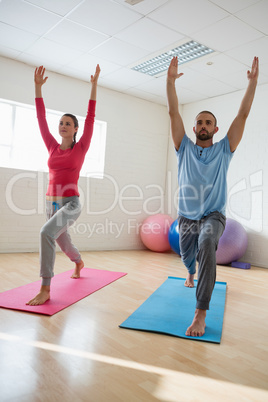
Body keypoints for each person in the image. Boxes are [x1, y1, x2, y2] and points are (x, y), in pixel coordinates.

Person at [166, 56, 259, 337]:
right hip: (186, 216)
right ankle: (191, 272)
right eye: (199, 122)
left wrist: (252, 84)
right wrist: (170, 82)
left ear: (215, 129)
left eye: (208, 122)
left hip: (214, 215)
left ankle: (200, 312)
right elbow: (173, 113)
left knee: (207, 243)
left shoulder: (224, 149)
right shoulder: (183, 147)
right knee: (187, 257)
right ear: (194, 129)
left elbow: (242, 116)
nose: (203, 126)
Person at [27, 64, 100, 306]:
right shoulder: (52, 146)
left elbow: (91, 118)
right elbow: (40, 119)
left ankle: (45, 287)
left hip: (71, 204)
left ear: (75, 129)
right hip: (50, 203)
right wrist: (38, 89)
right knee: (62, 240)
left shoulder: (81, 147)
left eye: (68, 123)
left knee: (46, 233)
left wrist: (94, 86)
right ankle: (78, 261)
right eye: (61, 123)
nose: (63, 126)